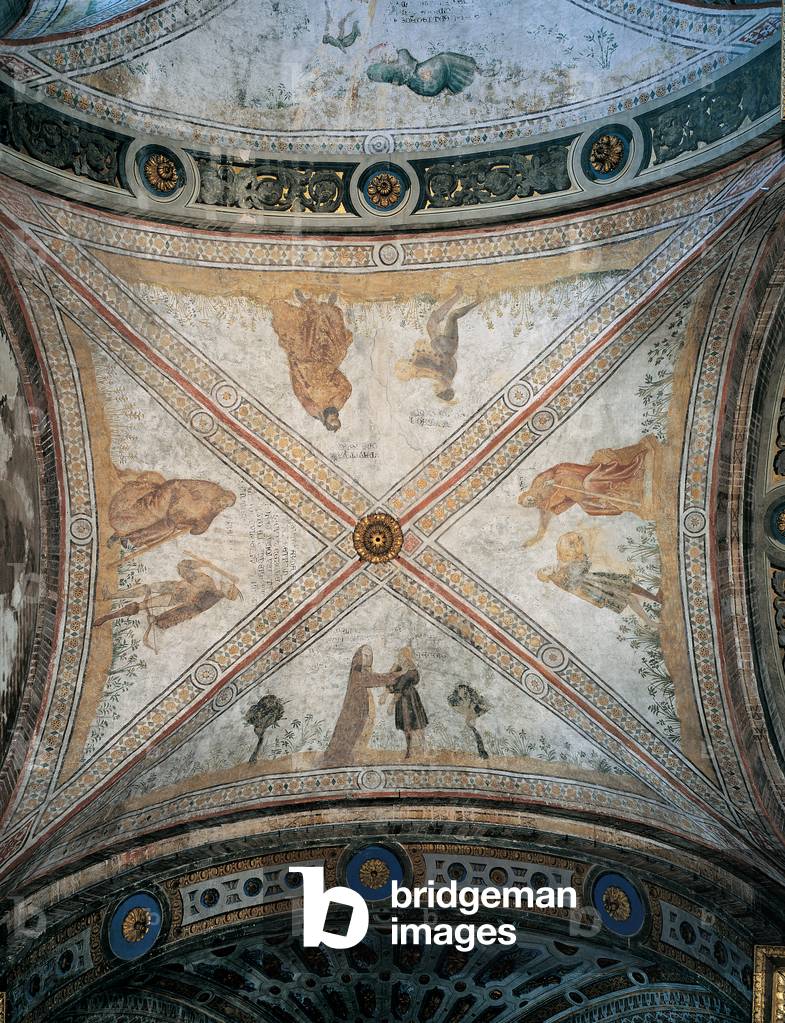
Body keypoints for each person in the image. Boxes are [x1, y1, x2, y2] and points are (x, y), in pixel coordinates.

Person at [517, 436, 660, 548]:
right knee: (591, 508)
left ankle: (631, 475)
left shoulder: (539, 482)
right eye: (529, 504)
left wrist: (554, 482)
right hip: (578, 494)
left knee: (592, 483)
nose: (532, 502)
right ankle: (632, 500)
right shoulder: (544, 505)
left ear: (528, 493)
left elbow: (555, 473)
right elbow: (544, 521)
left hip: (576, 477)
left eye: (528, 499)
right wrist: (537, 537)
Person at [94, 557, 241, 649]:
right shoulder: (208, 582)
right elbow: (183, 569)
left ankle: (108, 617)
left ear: (226, 593)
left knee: (140, 606)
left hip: (173, 598)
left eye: (230, 586)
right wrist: (201, 563)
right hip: (174, 586)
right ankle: (111, 596)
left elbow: (189, 610)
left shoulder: (209, 589)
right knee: (145, 590)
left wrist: (162, 620)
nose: (227, 582)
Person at [270, 292, 354, 431]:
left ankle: (306, 305)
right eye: (336, 419)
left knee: (303, 341)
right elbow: (346, 387)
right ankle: (329, 307)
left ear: (325, 421)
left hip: (306, 366)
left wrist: (297, 368)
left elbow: (300, 392)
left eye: (331, 420)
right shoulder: (338, 403)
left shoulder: (313, 409)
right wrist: (330, 372)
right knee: (339, 347)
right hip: (326, 365)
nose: (334, 417)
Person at [537, 532, 660, 626]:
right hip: (594, 587)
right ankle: (650, 622)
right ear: (547, 577)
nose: (546, 568)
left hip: (595, 579)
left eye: (544, 568)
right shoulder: (560, 578)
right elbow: (576, 591)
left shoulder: (559, 567)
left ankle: (655, 599)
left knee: (628, 585)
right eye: (544, 571)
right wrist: (593, 600)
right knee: (630, 597)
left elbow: (568, 560)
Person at [107, 469, 235, 555]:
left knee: (167, 528)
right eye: (223, 501)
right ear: (222, 495)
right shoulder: (211, 489)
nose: (222, 504)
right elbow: (181, 484)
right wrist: (181, 498)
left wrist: (199, 526)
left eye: (225, 505)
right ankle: (122, 533)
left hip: (173, 516)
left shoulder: (214, 509)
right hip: (171, 495)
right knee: (152, 513)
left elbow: (201, 526)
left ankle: (130, 540)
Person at [322, 645, 403, 767]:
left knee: (353, 732)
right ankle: (334, 757)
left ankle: (342, 756)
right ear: (359, 656)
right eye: (365, 655)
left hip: (359, 709)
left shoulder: (363, 670)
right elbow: (374, 679)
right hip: (354, 708)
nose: (368, 658)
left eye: (370, 656)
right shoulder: (357, 671)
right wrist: (395, 675)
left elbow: (373, 678)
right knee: (346, 731)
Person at [396, 288, 478, 402]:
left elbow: (451, 362)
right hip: (443, 348)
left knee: (451, 317)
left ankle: (469, 299)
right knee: (434, 323)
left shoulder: (449, 377)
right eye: (438, 391)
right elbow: (430, 367)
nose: (435, 389)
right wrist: (417, 363)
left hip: (451, 347)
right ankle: (463, 297)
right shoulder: (443, 378)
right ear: (443, 390)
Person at [382, 646, 428, 759]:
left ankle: (422, 749)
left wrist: (391, 704)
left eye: (402, 655)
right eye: (400, 655)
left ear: (407, 657)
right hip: (406, 699)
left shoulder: (411, 670)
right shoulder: (399, 667)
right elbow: (390, 680)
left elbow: (400, 686)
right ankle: (410, 750)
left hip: (408, 699)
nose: (400, 657)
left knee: (415, 725)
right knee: (407, 726)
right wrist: (385, 693)